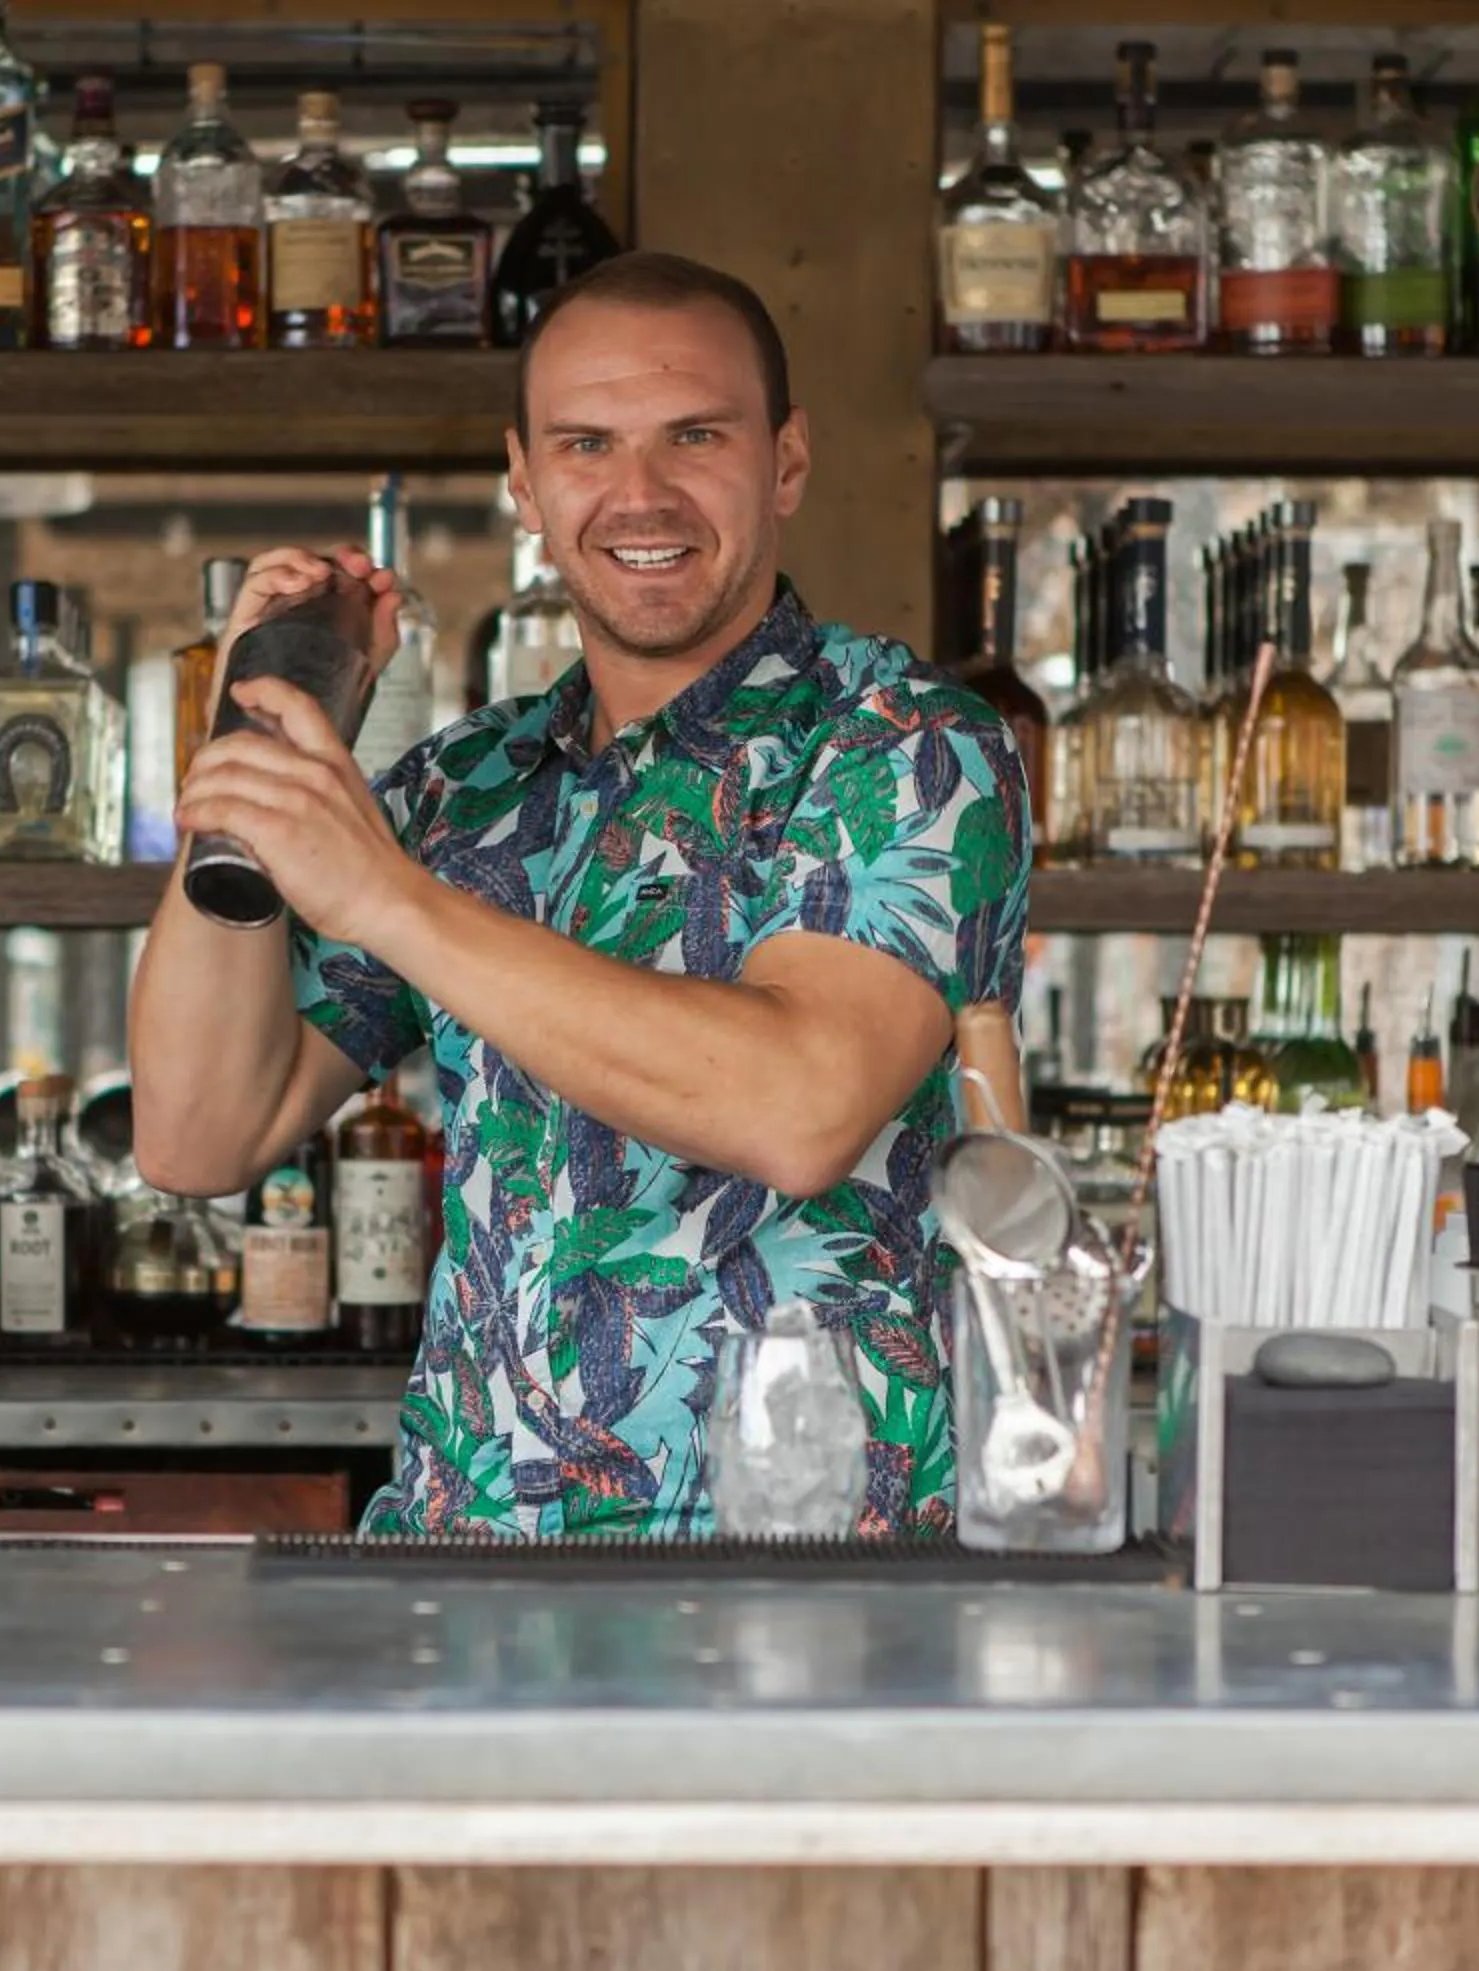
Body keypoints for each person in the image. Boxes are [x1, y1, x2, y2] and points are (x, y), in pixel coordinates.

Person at [129, 251, 1031, 1537]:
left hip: (799, 1578)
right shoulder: (468, 786)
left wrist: (390, 897)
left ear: (786, 461)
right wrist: (256, 741)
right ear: (526, 485)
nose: (640, 493)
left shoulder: (905, 744)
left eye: (696, 435)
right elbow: (198, 1135)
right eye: (587, 444)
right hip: (469, 1565)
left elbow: (802, 1106)